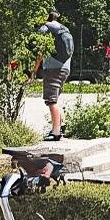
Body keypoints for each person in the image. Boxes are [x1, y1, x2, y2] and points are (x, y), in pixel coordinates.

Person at [36, 11, 74, 141]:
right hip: (65, 67)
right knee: (55, 99)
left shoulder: (45, 28)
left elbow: (40, 51)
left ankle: (56, 132)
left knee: (51, 101)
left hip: (53, 68)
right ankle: (59, 128)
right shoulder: (64, 28)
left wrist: (35, 69)